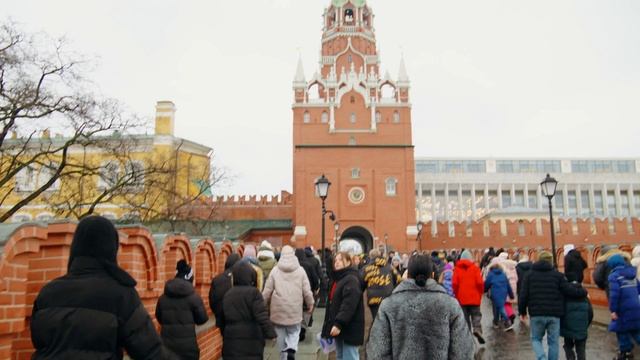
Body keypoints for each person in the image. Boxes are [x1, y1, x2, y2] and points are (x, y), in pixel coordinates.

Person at [30, 216, 173, 359]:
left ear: (75, 247)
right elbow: (151, 352)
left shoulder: (48, 292)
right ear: (112, 248)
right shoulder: (121, 294)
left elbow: (39, 342)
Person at [366, 254, 475, 359]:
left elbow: (377, 352)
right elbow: (463, 351)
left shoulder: (389, 305)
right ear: (432, 276)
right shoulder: (450, 305)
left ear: (407, 275)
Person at [519, 251, 588, 360]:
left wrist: (522, 311)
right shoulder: (558, 275)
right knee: (553, 342)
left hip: (536, 314)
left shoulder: (529, 275)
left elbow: (523, 295)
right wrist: (583, 292)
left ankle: (542, 358)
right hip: (554, 315)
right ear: (551, 261)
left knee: (536, 339)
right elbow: (568, 290)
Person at [262, 245, 314, 360]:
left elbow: (267, 290)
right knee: (294, 331)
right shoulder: (300, 271)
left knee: (280, 337)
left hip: (278, 311)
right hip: (294, 310)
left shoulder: (275, 270)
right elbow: (307, 291)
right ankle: (291, 347)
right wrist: (311, 303)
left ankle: (284, 356)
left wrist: (262, 304)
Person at [221, 261, 276, 359]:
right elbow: (262, 316)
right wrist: (271, 333)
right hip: (252, 342)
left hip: (231, 343)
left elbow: (222, 319)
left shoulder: (227, 294)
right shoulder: (254, 293)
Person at [156, 260, 209, 360]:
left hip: (167, 349)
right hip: (188, 350)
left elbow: (159, 318)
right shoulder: (194, 297)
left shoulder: (162, 298)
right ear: (189, 278)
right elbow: (202, 319)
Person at [321, 252, 364, 360]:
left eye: (340, 260)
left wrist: (339, 323)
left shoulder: (351, 279)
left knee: (350, 356)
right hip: (341, 327)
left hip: (348, 328)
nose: (337, 262)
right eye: (335, 260)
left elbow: (348, 304)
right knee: (340, 356)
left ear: (348, 262)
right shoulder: (339, 279)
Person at [607, 254, 640, 359]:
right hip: (636, 308)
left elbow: (614, 295)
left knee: (621, 330)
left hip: (623, 309)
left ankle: (625, 353)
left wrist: (613, 310)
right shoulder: (632, 275)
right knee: (636, 330)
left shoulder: (614, 276)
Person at [453, 249, 485, 344]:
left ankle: (468, 338)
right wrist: (480, 293)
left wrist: (457, 295)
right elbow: (480, 283)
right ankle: (477, 329)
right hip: (474, 298)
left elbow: (454, 284)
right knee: (476, 316)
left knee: (465, 319)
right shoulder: (475, 269)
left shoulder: (457, 269)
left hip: (462, 299)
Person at [360, 249, 402, 319]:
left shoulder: (366, 269)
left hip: (374, 300)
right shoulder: (390, 267)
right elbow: (399, 279)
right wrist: (393, 289)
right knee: (388, 319)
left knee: (377, 320)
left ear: (370, 257)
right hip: (388, 298)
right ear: (380, 255)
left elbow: (361, 284)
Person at [560, 274, 593, 360]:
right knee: (581, 349)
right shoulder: (585, 298)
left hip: (568, 328)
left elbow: (561, 312)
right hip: (582, 328)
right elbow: (590, 313)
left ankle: (570, 358)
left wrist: (562, 325)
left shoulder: (565, 297)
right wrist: (586, 324)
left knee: (568, 346)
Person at [209, 253, 241, 334]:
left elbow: (212, 300)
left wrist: (218, 315)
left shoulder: (217, 279)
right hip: (237, 320)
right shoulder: (241, 278)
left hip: (222, 320)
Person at [484, 263, 515, 331]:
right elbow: (508, 285)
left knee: (500, 308)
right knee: (497, 307)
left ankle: (507, 322)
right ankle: (495, 322)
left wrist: (484, 290)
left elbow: (487, 284)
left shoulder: (491, 274)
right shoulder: (503, 274)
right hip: (504, 293)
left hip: (495, 293)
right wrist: (511, 295)